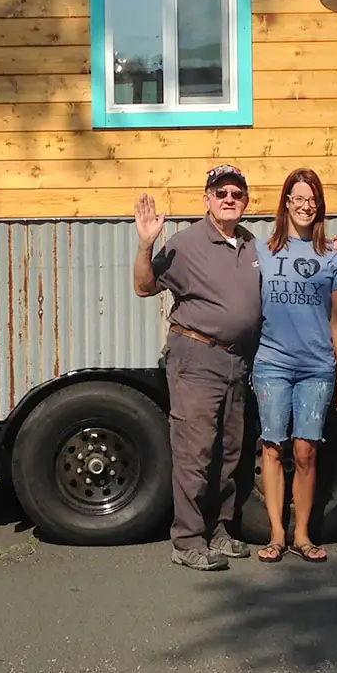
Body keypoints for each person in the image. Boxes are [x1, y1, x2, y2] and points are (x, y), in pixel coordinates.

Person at [133, 165, 262, 572]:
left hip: (236, 360)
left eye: (236, 194)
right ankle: (187, 540)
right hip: (196, 358)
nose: (228, 199)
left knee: (229, 451)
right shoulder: (187, 243)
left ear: (245, 201)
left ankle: (218, 530)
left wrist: (331, 248)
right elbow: (144, 286)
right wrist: (145, 246)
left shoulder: (251, 243)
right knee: (195, 452)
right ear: (206, 199)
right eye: (220, 192)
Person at [249, 168, 337, 565]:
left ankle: (303, 533)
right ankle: (277, 534)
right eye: (297, 198)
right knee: (274, 447)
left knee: (307, 450)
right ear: (285, 203)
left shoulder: (332, 256)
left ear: (319, 206)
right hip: (272, 363)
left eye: (311, 200)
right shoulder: (261, 251)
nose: (304, 206)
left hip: (317, 367)